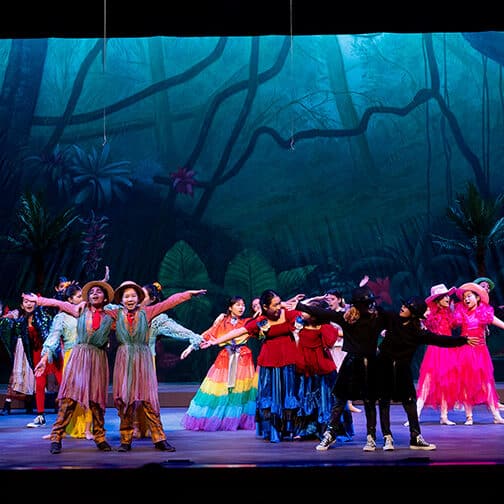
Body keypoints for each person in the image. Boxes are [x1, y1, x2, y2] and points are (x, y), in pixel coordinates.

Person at [110, 280, 207, 452]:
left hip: (144, 359)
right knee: (126, 401)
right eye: (126, 296)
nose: (130, 299)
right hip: (125, 361)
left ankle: (159, 438)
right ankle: (126, 440)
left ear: (139, 298)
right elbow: (96, 308)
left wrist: (188, 294)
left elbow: (168, 302)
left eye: (133, 295)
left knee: (149, 401)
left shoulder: (147, 312)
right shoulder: (115, 314)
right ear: (121, 299)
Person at [376, 296, 478, 451]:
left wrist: (463, 340)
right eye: (403, 304)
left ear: (414, 313)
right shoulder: (392, 319)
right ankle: (387, 437)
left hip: (402, 371)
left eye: (407, 306)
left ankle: (415, 437)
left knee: (409, 403)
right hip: (384, 368)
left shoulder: (418, 332)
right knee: (384, 402)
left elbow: (441, 340)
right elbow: (377, 311)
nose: (403, 307)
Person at [24, 280, 116, 454]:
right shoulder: (79, 311)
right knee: (69, 399)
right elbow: (59, 306)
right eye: (92, 292)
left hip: (98, 359)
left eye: (99, 291)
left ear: (105, 297)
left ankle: (100, 437)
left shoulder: (111, 314)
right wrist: (45, 358)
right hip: (79, 357)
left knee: (97, 400)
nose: (95, 294)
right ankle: (57, 436)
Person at [294, 285, 387, 451]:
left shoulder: (377, 319)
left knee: (369, 401)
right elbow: (323, 313)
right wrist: (299, 306)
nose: (369, 306)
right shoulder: (347, 318)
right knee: (340, 400)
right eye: (366, 303)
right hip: (351, 362)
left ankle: (371, 437)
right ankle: (330, 434)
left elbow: (395, 322)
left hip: (370, 363)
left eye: (370, 304)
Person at [202, 289, 302, 442]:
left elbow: (306, 315)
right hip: (269, 362)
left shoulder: (287, 315)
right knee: (269, 396)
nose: (279, 307)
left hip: (287, 361)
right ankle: (272, 430)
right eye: (275, 305)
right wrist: (214, 341)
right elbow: (239, 331)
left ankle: (288, 428)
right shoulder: (261, 321)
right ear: (266, 307)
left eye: (279, 303)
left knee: (287, 395)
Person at [180, 295, 258, 431]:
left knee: (240, 390)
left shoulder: (247, 322)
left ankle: (237, 419)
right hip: (226, 358)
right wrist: (190, 347)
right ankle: (219, 418)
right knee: (220, 389)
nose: (241, 307)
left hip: (243, 358)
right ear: (230, 307)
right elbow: (207, 335)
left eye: (243, 305)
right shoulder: (222, 322)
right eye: (238, 305)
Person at [34, 283, 94, 440]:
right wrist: (44, 359)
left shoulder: (88, 313)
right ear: (70, 299)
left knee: (87, 393)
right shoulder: (61, 317)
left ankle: (88, 429)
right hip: (70, 358)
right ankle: (60, 429)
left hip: (87, 356)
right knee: (67, 395)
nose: (83, 299)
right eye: (79, 296)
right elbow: (53, 338)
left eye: (83, 296)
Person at [452, 282, 504, 425]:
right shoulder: (461, 313)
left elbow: (500, 323)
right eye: (464, 297)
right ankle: (469, 417)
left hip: (481, 353)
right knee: (466, 384)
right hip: (466, 352)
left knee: (487, 383)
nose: (466, 299)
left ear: (478, 298)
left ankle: (496, 416)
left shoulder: (484, 313)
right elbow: (448, 324)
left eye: (469, 296)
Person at [415, 283, 461, 425]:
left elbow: (456, 324)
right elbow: (419, 320)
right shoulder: (430, 313)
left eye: (448, 296)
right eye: (444, 296)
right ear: (437, 299)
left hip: (447, 350)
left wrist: (453, 311)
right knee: (427, 383)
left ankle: (444, 416)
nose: (448, 298)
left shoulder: (449, 313)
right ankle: (415, 415)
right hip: (435, 351)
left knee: (446, 384)